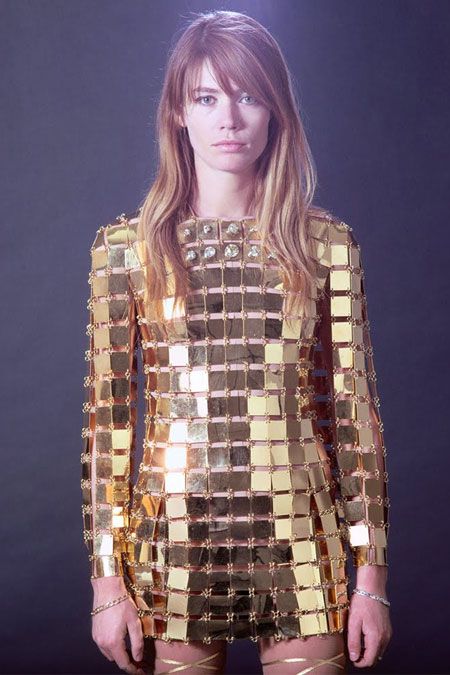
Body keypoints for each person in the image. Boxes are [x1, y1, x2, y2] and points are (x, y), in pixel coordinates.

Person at [80, 9, 392, 675]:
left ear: (275, 111)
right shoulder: (125, 250)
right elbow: (109, 427)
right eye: (207, 97)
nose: (229, 118)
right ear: (178, 112)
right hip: (172, 539)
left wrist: (372, 579)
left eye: (248, 95)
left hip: (304, 535)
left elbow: (353, 416)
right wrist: (107, 581)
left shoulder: (327, 246)